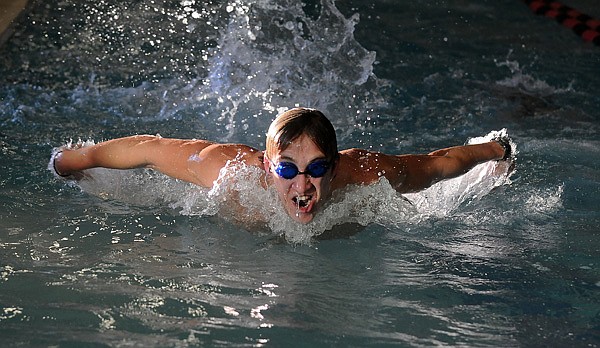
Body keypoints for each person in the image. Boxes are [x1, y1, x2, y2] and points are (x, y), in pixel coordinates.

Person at [51, 107, 513, 224]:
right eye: (288, 170)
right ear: (268, 166)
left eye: (316, 169)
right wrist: (75, 160)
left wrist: (494, 151)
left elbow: (437, 164)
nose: (304, 186)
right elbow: (148, 149)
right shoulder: (228, 171)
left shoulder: (366, 174)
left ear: (334, 167)